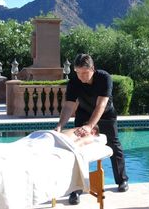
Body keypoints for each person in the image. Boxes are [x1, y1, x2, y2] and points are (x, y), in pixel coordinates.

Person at [55, 53, 129, 205]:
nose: (81, 77)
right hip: (83, 114)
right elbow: (69, 105)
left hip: (106, 114)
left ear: (92, 69)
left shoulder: (104, 78)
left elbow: (101, 105)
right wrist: (60, 125)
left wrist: (90, 126)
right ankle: (75, 190)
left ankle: (122, 180)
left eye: (84, 73)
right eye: (78, 72)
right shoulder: (74, 81)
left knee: (114, 144)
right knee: (77, 148)